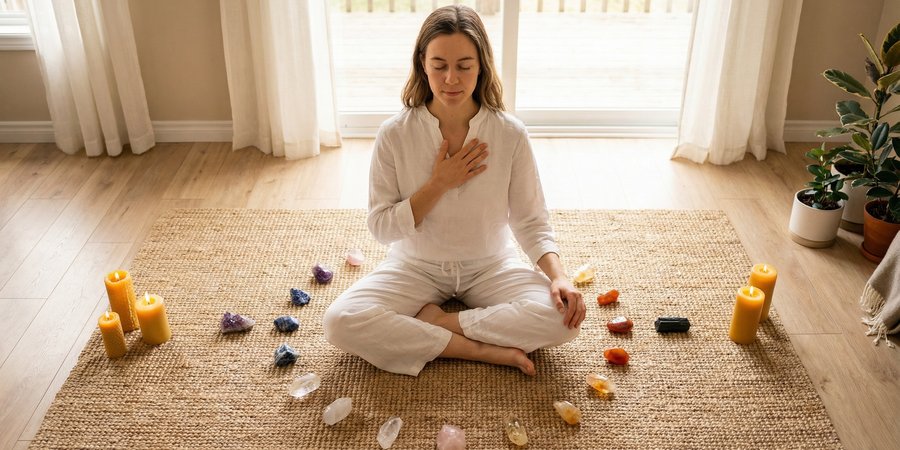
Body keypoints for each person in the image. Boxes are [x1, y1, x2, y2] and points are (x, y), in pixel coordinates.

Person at [323, 4, 585, 377]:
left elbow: (530, 220)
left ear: (481, 65)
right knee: (340, 321)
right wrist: (438, 184)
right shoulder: (394, 134)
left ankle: (439, 326)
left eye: (464, 66)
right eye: (439, 65)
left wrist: (559, 277)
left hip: (490, 263)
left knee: (563, 320)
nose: (451, 79)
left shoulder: (509, 133)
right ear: (422, 64)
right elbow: (381, 227)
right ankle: (479, 350)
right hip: (415, 265)